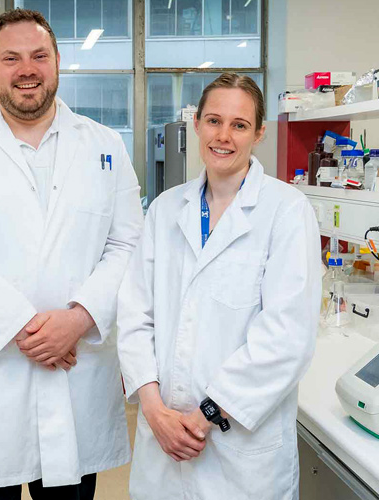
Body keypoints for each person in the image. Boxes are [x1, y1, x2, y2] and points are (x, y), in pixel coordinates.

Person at [0, 9, 144, 500]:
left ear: (58, 62)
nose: (27, 68)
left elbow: (128, 244)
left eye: (39, 55)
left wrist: (78, 319)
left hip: (75, 369)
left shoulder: (104, 146)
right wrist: (24, 325)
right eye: (11, 57)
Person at [117, 73, 320, 500]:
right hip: (165, 439)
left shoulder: (286, 211)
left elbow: (287, 338)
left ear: (259, 133)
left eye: (239, 125)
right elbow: (135, 315)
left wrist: (207, 414)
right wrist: (154, 411)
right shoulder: (166, 209)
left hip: (240, 453)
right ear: (197, 126)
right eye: (213, 121)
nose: (223, 136)